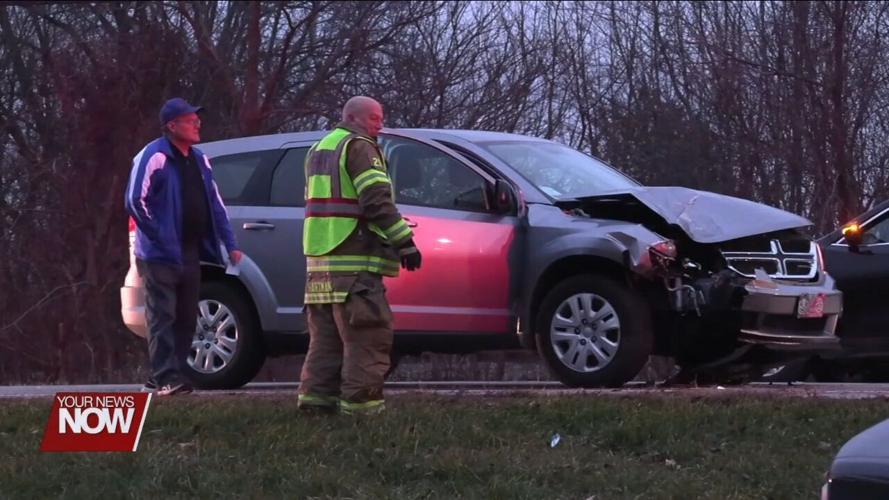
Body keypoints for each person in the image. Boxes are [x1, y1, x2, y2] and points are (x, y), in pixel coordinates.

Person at [298, 96, 422, 415]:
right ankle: (362, 415)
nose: (379, 124)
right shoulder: (360, 147)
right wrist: (403, 241)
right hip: (355, 264)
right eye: (373, 118)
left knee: (325, 345)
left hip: (320, 268)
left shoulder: (320, 148)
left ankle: (315, 407)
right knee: (367, 341)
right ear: (353, 118)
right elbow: (376, 200)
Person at [124, 98, 242, 396]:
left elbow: (215, 203)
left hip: (190, 251)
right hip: (159, 254)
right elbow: (134, 200)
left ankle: (164, 374)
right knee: (162, 314)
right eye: (190, 120)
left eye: (196, 119)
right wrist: (158, 236)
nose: (197, 124)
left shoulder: (199, 159)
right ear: (171, 125)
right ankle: (166, 378)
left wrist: (230, 243)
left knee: (188, 316)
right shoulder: (154, 156)